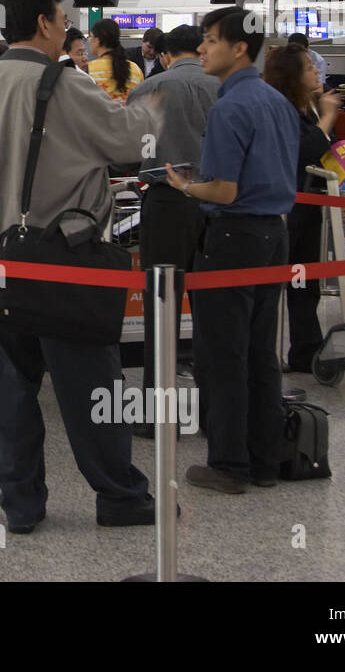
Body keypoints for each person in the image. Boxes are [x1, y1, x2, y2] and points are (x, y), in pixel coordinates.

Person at [0, 0, 161, 530]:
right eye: (64, 16)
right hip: (66, 260)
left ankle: (21, 506)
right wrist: (158, 106)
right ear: (46, 23)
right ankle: (119, 497)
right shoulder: (68, 85)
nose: (68, 25)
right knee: (93, 386)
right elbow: (130, 143)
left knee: (11, 389)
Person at [164, 6, 299, 494]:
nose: (202, 48)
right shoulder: (278, 102)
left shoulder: (230, 107)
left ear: (239, 47)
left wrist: (184, 186)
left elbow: (223, 190)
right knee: (261, 351)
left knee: (222, 354)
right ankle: (263, 461)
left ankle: (227, 464)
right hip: (273, 236)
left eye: (210, 40)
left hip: (232, 238)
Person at [125, 24, 221, 432]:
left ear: (164, 55)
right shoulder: (224, 86)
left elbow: (129, 148)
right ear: (201, 50)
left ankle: (153, 412)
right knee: (216, 312)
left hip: (167, 204)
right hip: (220, 204)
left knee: (161, 309)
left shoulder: (150, 88)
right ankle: (216, 411)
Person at [264, 42, 341, 373]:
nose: (316, 72)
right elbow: (304, 150)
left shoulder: (307, 107)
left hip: (311, 207)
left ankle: (306, 348)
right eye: (310, 67)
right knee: (279, 281)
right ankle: (271, 353)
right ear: (294, 76)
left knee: (305, 282)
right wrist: (328, 117)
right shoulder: (282, 109)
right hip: (288, 207)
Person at [88, 18, 143, 102]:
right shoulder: (136, 70)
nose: (89, 40)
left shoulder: (88, 70)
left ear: (97, 40)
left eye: (90, 36)